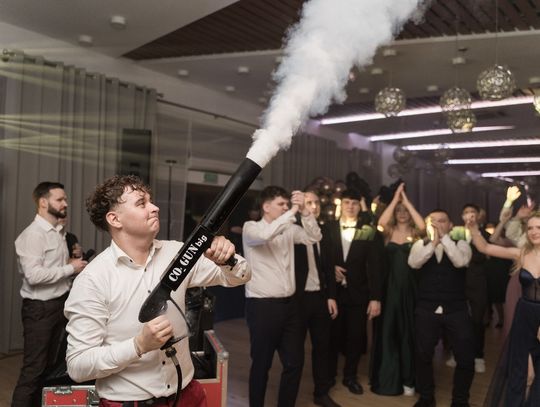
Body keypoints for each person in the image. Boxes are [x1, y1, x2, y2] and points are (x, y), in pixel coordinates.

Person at [64, 175, 250, 406]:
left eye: (150, 201)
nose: (155, 207)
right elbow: (78, 365)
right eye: (141, 203)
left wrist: (227, 258)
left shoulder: (177, 254)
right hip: (130, 402)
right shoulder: (93, 280)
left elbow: (240, 276)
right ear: (115, 219)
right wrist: (138, 345)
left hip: (188, 394)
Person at [243, 186, 322, 407]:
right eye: (281, 204)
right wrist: (294, 210)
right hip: (262, 307)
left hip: (290, 307)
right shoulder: (251, 228)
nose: (286, 208)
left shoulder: (290, 229)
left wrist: (305, 212)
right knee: (262, 364)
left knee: (294, 363)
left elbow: (314, 237)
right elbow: (267, 235)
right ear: (266, 207)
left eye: (287, 204)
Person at [12, 182, 87, 407]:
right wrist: (71, 268)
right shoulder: (33, 235)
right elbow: (34, 276)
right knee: (33, 370)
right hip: (40, 310)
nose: (65, 203)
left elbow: (53, 268)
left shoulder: (58, 232)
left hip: (59, 304)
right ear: (43, 202)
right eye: (60, 199)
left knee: (51, 367)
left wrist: (71, 263)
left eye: (65, 199)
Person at [467, 211, 540, 407]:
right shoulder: (521, 254)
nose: (534, 232)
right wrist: (473, 229)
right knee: (523, 373)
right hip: (525, 316)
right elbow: (485, 247)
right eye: (530, 228)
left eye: (538, 227)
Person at [408, 209, 474, 407]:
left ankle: (460, 401)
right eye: (433, 221)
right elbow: (414, 263)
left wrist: (444, 239)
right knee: (422, 355)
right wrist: (434, 243)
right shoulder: (420, 245)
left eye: (442, 221)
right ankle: (427, 397)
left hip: (456, 309)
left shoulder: (461, 244)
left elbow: (460, 262)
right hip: (426, 309)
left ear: (450, 225)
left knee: (465, 358)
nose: (437, 225)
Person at [322, 188, 383, 396]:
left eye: (354, 203)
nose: (350, 206)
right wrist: (330, 269)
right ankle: (329, 376)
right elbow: (319, 257)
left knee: (356, 338)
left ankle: (350, 376)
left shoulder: (369, 231)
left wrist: (375, 298)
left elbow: (376, 266)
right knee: (331, 337)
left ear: (360, 206)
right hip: (333, 293)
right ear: (341, 205)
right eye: (347, 202)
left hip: (359, 293)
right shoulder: (327, 228)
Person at [370, 182, 425, 396]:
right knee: (389, 332)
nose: (402, 214)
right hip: (389, 289)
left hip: (411, 289)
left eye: (405, 211)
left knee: (408, 332)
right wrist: (395, 199)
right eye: (399, 211)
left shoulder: (417, 233)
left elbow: (422, 225)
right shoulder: (388, 232)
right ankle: (388, 379)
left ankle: (409, 379)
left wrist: (407, 202)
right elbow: (381, 221)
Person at [294, 190, 340, 407]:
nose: (313, 206)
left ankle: (321, 393)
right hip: (298, 299)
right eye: (309, 202)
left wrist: (331, 296)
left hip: (320, 297)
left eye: (316, 202)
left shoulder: (325, 230)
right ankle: (290, 396)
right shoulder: (291, 228)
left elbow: (329, 267)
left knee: (323, 347)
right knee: (295, 350)